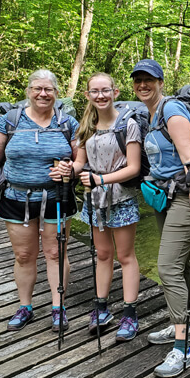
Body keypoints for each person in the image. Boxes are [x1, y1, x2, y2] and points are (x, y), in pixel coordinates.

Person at [0, 69, 78, 332]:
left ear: (56, 93)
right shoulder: (10, 120)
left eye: (48, 89)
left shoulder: (68, 123)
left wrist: (71, 169)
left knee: (55, 253)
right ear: (28, 91)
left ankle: (58, 307)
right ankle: (25, 306)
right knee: (24, 255)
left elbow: (81, 159)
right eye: (37, 88)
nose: (43, 93)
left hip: (57, 196)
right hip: (16, 197)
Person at [131, 59, 190, 378]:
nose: (143, 85)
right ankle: (183, 325)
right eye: (138, 80)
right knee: (180, 265)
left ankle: (182, 348)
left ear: (161, 82)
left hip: (185, 197)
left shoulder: (172, 111)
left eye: (149, 79)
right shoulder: (149, 115)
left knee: (167, 267)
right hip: (165, 196)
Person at [69, 72, 142, 341]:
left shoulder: (128, 125)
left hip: (121, 197)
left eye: (105, 90)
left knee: (125, 256)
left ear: (115, 92)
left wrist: (100, 179)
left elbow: (133, 167)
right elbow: (80, 162)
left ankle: (130, 313)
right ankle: (101, 308)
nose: (100, 96)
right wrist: (69, 169)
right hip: (94, 199)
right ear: (87, 95)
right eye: (95, 91)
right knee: (102, 254)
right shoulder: (86, 125)